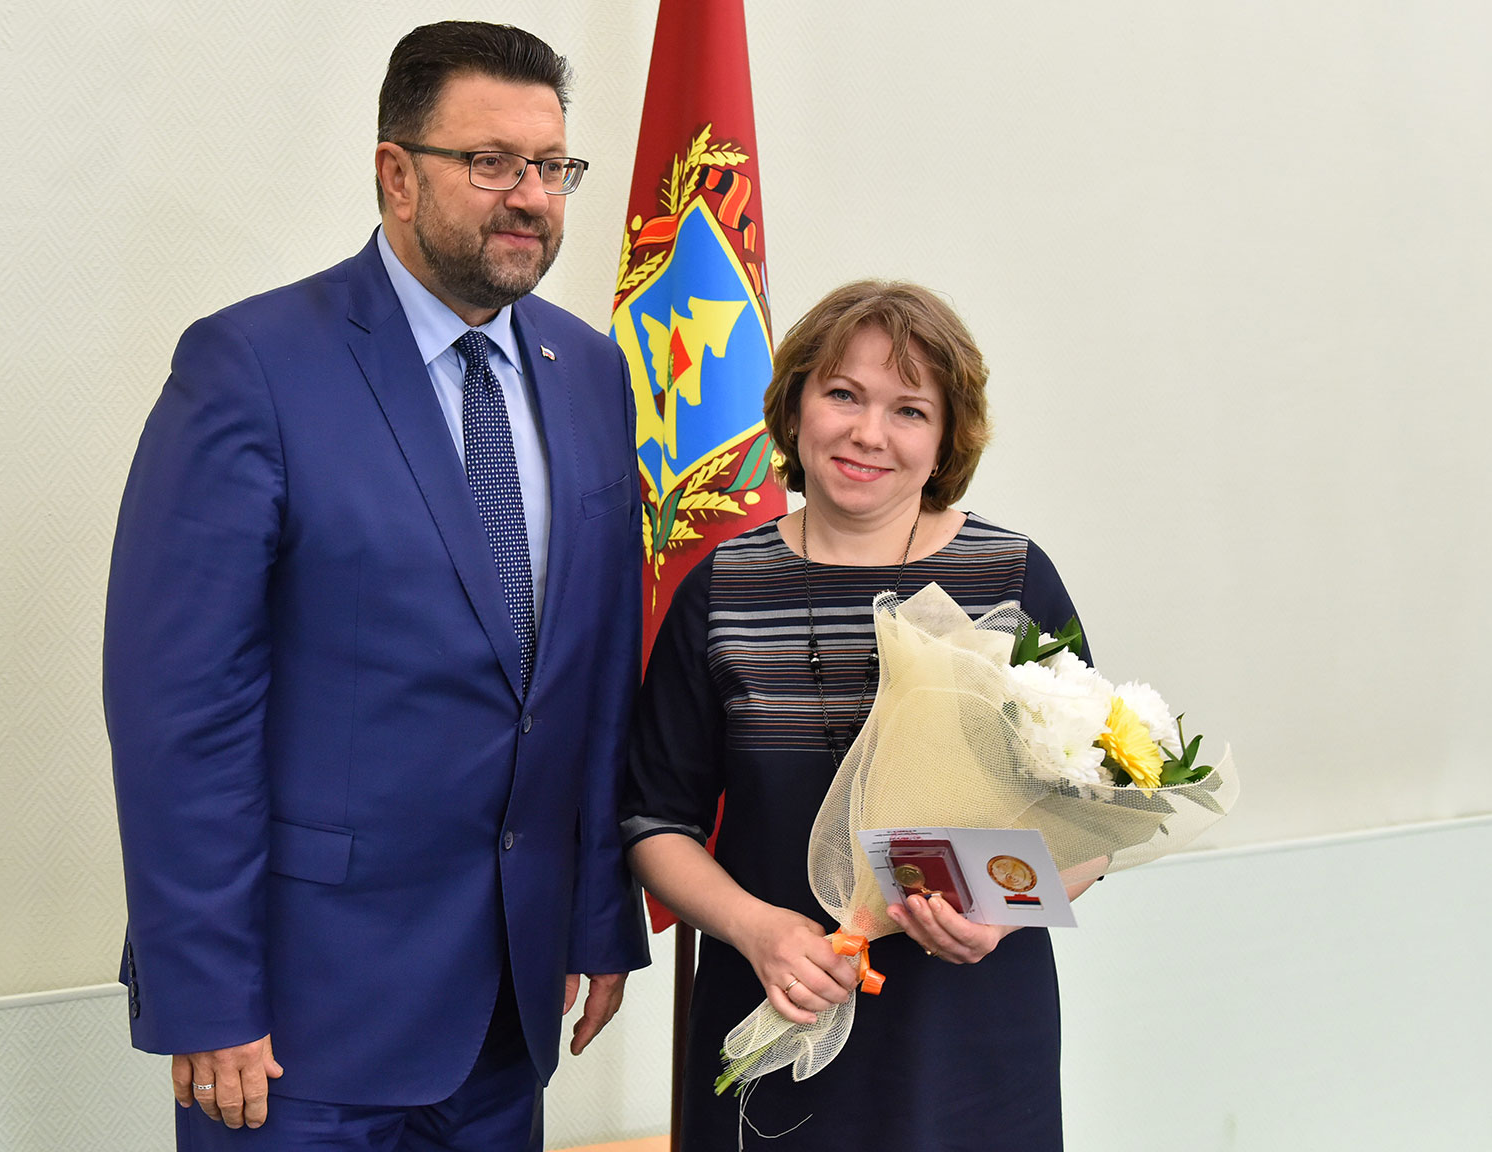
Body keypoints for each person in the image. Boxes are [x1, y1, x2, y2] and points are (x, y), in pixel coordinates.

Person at [105, 21, 649, 1150]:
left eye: (552, 167)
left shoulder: (590, 372)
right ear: (396, 174)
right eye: (491, 162)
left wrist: (598, 917)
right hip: (299, 1028)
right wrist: (205, 996)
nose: (531, 197)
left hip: (507, 1012)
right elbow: (180, 714)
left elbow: (595, 679)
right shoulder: (252, 367)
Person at [623, 281, 1096, 1148]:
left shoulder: (1011, 578)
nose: (868, 433)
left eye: (909, 410)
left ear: (947, 438)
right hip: (777, 1010)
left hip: (971, 1041)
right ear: (795, 404)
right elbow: (656, 823)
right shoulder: (721, 590)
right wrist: (757, 930)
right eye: (843, 394)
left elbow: (1092, 821)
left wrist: (1001, 913)